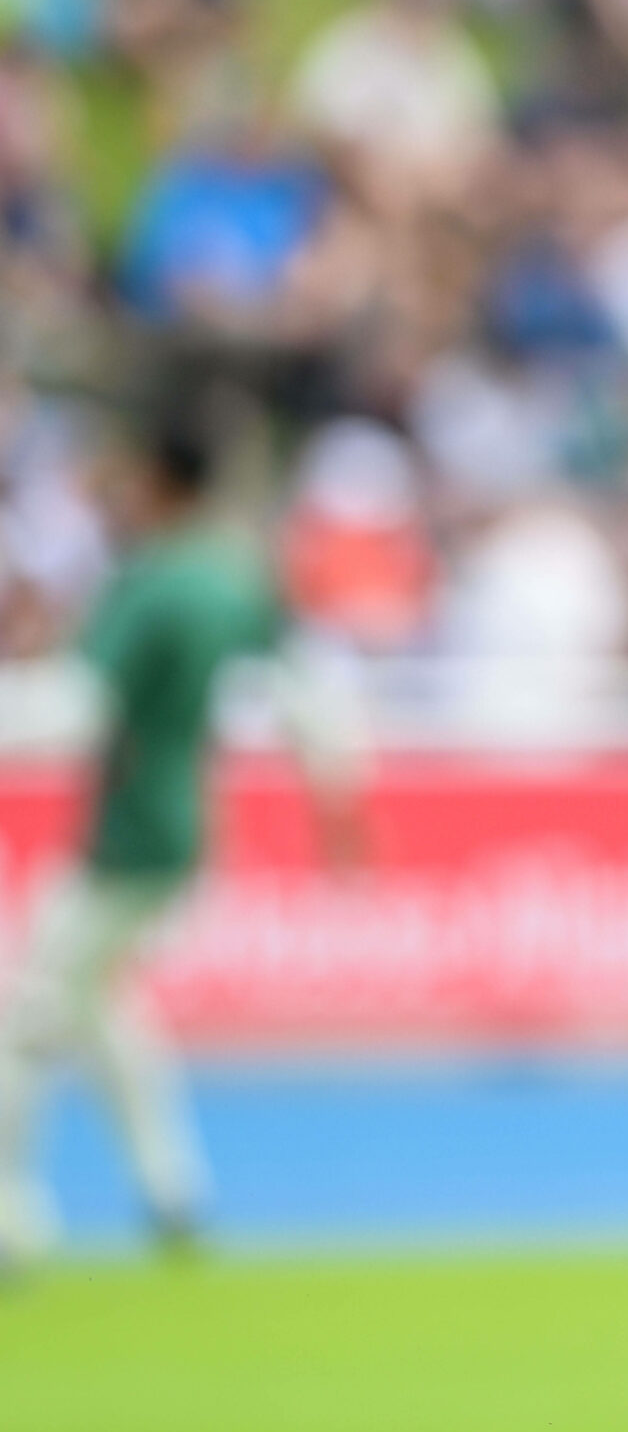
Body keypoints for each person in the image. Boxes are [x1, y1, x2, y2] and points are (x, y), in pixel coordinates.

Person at [0, 411, 364, 1273]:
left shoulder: (152, 581)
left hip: (131, 830)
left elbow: (79, 704)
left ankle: (16, 1217)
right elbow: (307, 693)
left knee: (26, 1015)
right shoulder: (237, 578)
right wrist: (338, 801)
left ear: (160, 481)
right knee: (96, 1004)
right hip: (184, 821)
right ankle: (171, 1188)